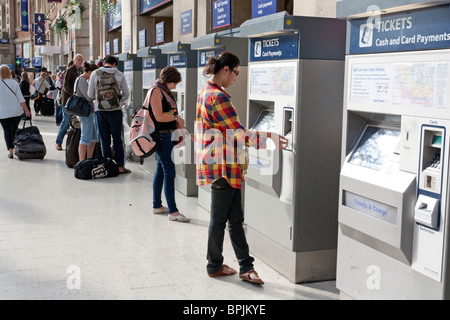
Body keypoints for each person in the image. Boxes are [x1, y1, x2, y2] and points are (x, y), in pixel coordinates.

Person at [196, 52, 288, 284]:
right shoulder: (219, 98)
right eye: (236, 72)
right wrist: (269, 138)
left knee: (233, 218)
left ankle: (244, 267)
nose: (237, 77)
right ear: (225, 69)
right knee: (222, 220)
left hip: (219, 162)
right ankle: (216, 265)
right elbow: (238, 134)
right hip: (223, 166)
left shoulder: (205, 92)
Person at [147, 66, 190, 223]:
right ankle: (173, 212)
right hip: (162, 136)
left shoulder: (163, 91)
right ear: (168, 80)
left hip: (166, 136)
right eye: (174, 83)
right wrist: (176, 119)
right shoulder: (156, 91)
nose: (175, 86)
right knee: (169, 173)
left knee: (160, 170)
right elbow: (159, 116)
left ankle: (157, 205)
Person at [87, 55, 130, 174]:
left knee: (104, 140)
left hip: (100, 111)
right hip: (115, 110)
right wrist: (118, 99)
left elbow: (90, 95)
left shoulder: (95, 74)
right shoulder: (119, 74)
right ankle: (120, 166)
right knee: (117, 139)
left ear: (103, 63)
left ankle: (107, 166)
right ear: (114, 64)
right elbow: (126, 93)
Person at [0, 65, 31, 159]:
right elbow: (21, 99)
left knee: (6, 131)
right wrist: (26, 110)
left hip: (3, 112)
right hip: (16, 111)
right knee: (14, 129)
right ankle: (16, 147)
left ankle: (10, 151)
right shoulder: (14, 83)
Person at [56, 54, 83, 150]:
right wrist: (74, 94)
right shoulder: (69, 71)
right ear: (74, 60)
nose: (80, 62)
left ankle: (75, 141)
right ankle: (58, 142)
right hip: (68, 100)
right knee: (66, 120)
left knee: (78, 121)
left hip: (76, 100)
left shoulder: (80, 71)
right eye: (78, 60)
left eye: (81, 60)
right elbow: (66, 86)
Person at [75, 62, 99, 161]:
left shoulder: (83, 80)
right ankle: (82, 161)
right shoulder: (82, 80)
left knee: (94, 137)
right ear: (90, 72)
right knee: (85, 138)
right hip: (85, 113)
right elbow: (88, 97)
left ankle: (89, 159)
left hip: (88, 112)